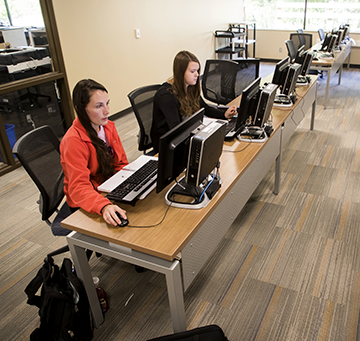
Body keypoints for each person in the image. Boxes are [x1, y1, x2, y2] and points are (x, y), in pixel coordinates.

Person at [57, 79, 129, 231]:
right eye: (99, 106)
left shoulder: (108, 126)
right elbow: (78, 187)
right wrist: (103, 206)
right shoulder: (73, 141)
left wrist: (131, 180)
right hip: (90, 196)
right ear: (81, 109)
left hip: (109, 186)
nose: (107, 111)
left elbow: (120, 162)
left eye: (107, 103)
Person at [150, 50, 237, 153]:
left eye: (197, 70)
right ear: (180, 73)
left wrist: (224, 114)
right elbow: (176, 131)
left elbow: (205, 108)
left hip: (186, 137)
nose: (197, 75)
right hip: (167, 147)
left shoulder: (190, 87)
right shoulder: (166, 96)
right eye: (192, 71)